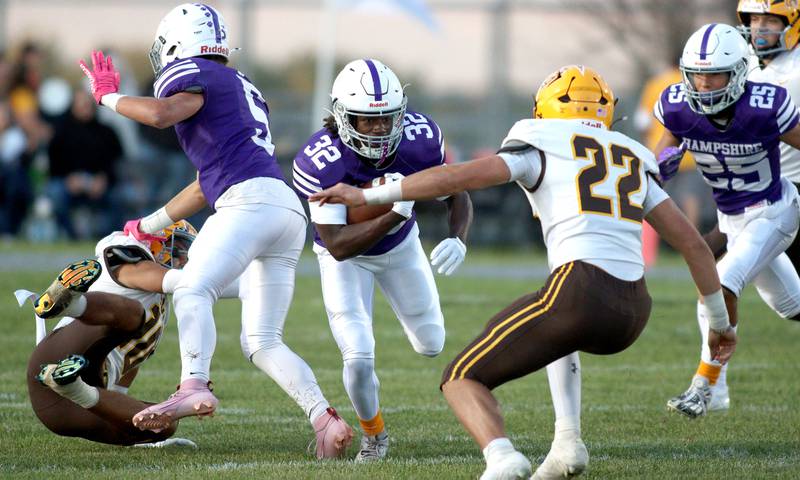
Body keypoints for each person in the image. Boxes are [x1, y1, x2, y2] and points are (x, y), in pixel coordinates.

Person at [309, 64, 736, 480]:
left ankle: (501, 458)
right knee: (557, 333)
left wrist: (375, 192)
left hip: (580, 290)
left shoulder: (539, 143)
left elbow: (457, 178)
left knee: (461, 378)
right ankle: (568, 442)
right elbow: (695, 248)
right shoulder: (630, 155)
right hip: (635, 311)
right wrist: (719, 324)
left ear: (545, 110)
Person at [77, 3, 353, 458]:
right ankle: (324, 419)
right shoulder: (240, 85)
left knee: (190, 289)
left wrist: (107, 98)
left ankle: (193, 384)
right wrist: (148, 225)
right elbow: (208, 182)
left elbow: (163, 114)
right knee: (262, 340)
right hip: (283, 209)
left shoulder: (194, 74)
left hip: (248, 204)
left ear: (179, 44)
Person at [292, 59, 473, 461]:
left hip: (401, 248)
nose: (378, 130)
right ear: (341, 117)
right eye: (365, 120)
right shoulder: (319, 161)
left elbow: (457, 190)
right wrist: (395, 211)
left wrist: (458, 238)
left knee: (431, 344)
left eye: (386, 119)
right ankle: (375, 436)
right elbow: (338, 244)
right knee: (357, 356)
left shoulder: (420, 140)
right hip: (345, 261)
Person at [654, 23, 800, 419]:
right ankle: (712, 389)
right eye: (696, 75)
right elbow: (658, 162)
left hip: (775, 210)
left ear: (738, 72)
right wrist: (660, 167)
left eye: (714, 74)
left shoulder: (766, 105)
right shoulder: (678, 106)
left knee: (717, 286)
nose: (703, 84)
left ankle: (706, 387)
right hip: (733, 219)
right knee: (792, 305)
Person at [24, 222, 200, 446]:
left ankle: (71, 386)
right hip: (58, 356)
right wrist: (219, 280)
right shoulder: (132, 255)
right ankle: (69, 304)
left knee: (165, 421)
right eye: (178, 250)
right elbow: (157, 277)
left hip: (69, 406)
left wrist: (118, 405)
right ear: (154, 243)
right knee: (134, 314)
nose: (183, 260)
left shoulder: (161, 302)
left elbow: (132, 361)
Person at [47, 89, 123, 239]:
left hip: (99, 182)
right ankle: (71, 236)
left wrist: (104, 179)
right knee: (55, 192)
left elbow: (116, 162)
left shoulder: (107, 132)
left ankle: (108, 239)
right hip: (68, 181)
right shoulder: (60, 131)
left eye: (87, 104)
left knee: (118, 196)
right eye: (80, 104)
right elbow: (53, 163)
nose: (84, 107)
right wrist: (69, 179)